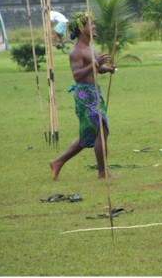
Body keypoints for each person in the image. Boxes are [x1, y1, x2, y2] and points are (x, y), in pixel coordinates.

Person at [49, 12, 115, 180]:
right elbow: (77, 75)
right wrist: (96, 64)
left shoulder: (91, 48)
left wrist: (106, 69)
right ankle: (102, 173)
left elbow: (96, 69)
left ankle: (59, 162)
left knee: (94, 133)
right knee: (99, 130)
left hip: (95, 92)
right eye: (90, 25)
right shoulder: (76, 51)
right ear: (81, 29)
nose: (94, 27)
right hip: (85, 94)